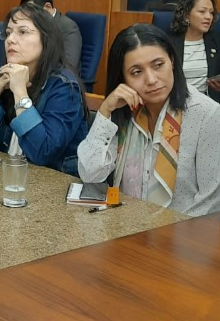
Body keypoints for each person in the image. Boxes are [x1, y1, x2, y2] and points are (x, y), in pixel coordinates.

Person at [77, 23, 220, 216]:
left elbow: (210, 205)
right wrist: (105, 111)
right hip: (125, 224)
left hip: (180, 230)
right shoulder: (125, 109)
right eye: (137, 72)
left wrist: (160, 231)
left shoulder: (207, 114)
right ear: (123, 78)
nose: (151, 79)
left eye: (158, 65)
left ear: (172, 61)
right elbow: (90, 174)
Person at [0, 4, 88, 172]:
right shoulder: (3, 75)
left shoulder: (64, 87)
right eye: (8, 33)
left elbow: (42, 153)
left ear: (46, 40)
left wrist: (20, 93)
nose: (10, 39)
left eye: (22, 32)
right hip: (7, 176)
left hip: (51, 184)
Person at [169, 0, 220, 102]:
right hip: (177, 103)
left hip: (208, 103)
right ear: (186, 15)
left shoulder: (216, 41)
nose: (208, 17)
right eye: (202, 11)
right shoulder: (168, 43)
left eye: (211, 13)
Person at [20, 0, 82, 75]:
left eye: (33, 12)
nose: (30, 17)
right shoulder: (31, 26)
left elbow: (69, 67)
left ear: (48, 7)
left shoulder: (68, 28)